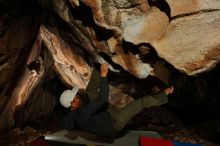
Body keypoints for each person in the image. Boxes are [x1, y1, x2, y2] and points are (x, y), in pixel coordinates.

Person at [60, 63, 174, 139]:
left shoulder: (72, 114)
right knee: (140, 103)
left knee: (90, 92)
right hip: (113, 123)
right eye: (76, 97)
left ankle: (97, 64)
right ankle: (164, 95)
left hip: (103, 117)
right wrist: (104, 76)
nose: (78, 96)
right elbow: (102, 98)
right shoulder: (83, 112)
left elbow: (67, 122)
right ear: (72, 104)